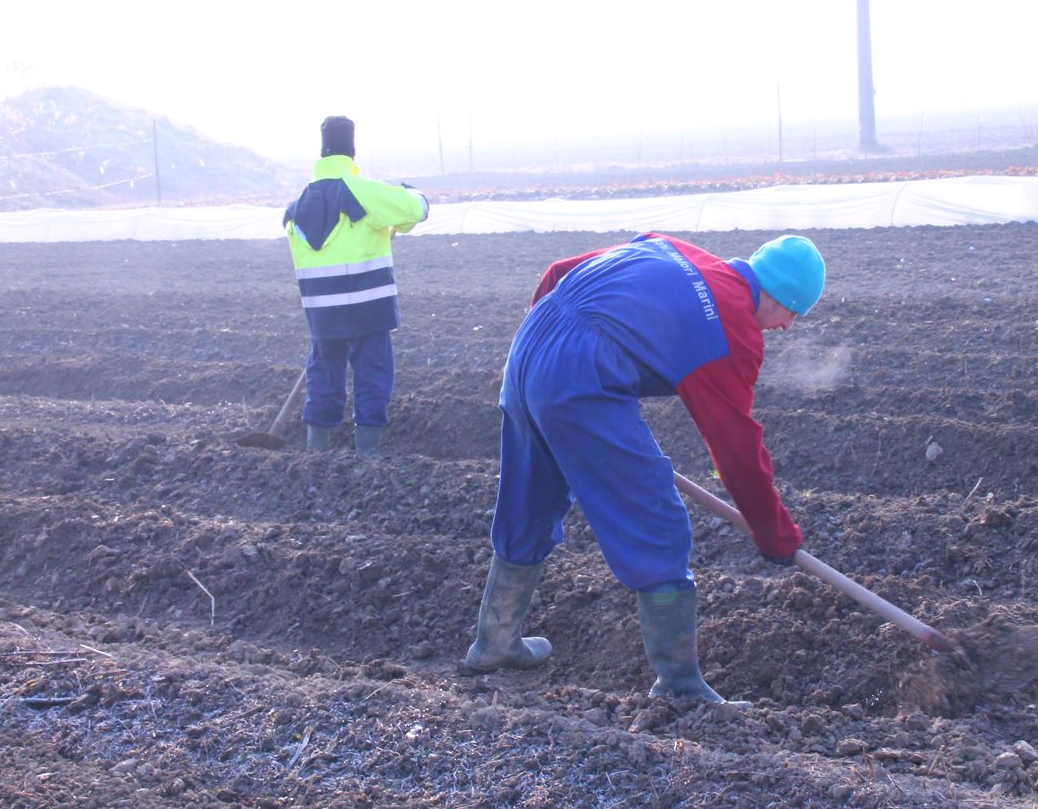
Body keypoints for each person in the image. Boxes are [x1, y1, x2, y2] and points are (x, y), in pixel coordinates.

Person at [463, 231, 826, 705]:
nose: (786, 328)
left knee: (530, 497)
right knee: (655, 516)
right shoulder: (732, 329)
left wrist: (545, 359)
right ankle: (680, 686)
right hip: (579, 375)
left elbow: (558, 271)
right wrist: (773, 533)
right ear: (779, 296)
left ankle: (493, 641)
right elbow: (736, 446)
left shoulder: (673, 248)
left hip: (532, 343)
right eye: (792, 313)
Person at [282, 116, 429, 456]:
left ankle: (316, 449)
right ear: (352, 152)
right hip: (368, 305)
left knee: (323, 372)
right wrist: (415, 195)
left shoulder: (295, 208)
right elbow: (413, 211)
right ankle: (368, 451)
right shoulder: (363, 192)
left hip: (321, 311)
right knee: (372, 373)